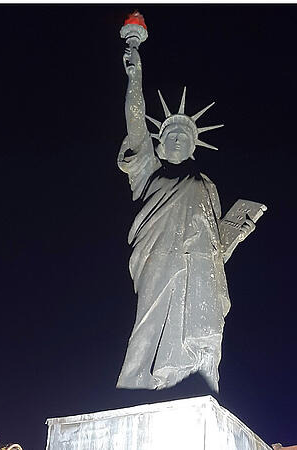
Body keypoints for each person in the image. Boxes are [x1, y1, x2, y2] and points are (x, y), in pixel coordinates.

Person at [116, 38, 254, 391]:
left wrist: (237, 231)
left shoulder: (205, 185)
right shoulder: (148, 169)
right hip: (158, 255)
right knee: (149, 321)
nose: (177, 139)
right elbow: (135, 122)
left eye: (184, 136)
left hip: (200, 264)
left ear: (193, 146)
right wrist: (135, 77)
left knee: (200, 322)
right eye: (171, 134)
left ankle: (195, 381)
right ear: (160, 143)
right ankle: (135, 386)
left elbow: (215, 246)